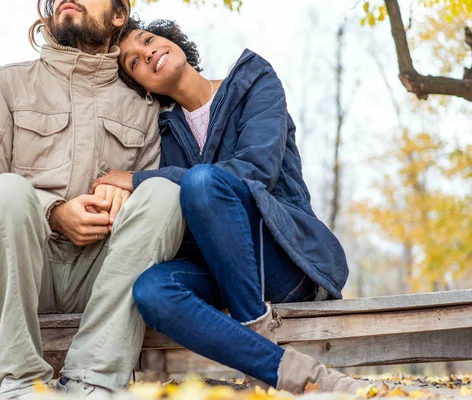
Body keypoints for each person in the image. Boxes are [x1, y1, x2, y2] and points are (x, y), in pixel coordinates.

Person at [92, 18, 373, 394]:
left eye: (148, 40)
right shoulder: (164, 134)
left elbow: (255, 171)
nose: (148, 52)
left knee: (203, 181)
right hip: (219, 269)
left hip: (285, 260)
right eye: (134, 62)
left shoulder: (253, 81)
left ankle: (257, 346)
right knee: (151, 290)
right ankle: (287, 371)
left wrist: (138, 180)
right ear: (141, 87)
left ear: (171, 40)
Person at [0, 4, 186, 399]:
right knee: (5, 191)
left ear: (118, 15)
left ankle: (93, 381)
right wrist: (53, 213)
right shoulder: (5, 84)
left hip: (102, 278)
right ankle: (20, 384)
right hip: (21, 273)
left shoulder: (143, 107)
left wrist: (126, 192)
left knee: (164, 192)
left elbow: (149, 215)